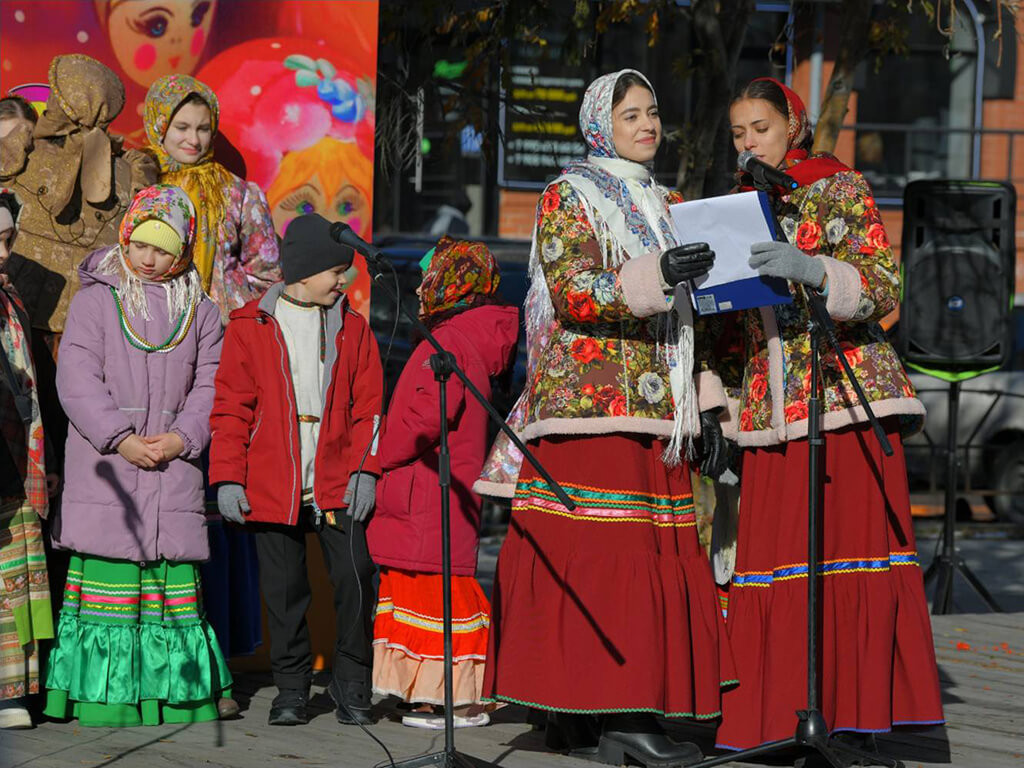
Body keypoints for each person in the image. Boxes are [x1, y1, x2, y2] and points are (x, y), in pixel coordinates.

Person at [481, 69, 733, 768]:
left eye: (653, 112)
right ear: (600, 124)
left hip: (660, 411)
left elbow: (695, 318)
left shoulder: (669, 201)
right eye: (630, 115)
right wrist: (658, 272)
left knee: (646, 559)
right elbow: (574, 290)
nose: (647, 124)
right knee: (604, 563)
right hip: (591, 407)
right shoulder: (571, 193)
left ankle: (596, 715)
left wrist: (709, 407)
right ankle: (615, 716)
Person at [714, 77, 944, 751]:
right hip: (768, 409)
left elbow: (881, 284)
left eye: (760, 127)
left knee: (848, 559)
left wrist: (814, 270)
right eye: (738, 132)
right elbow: (730, 334)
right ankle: (777, 717)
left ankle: (853, 716)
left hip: (841, 401)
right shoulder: (733, 206)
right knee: (775, 563)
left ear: (793, 126)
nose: (749, 141)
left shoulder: (838, 185)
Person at [43, 185, 230, 727]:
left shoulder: (201, 312)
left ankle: (176, 695)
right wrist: (120, 437)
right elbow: (76, 379)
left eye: (164, 248)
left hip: (172, 467)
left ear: (183, 249)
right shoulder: (96, 302)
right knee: (113, 580)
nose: (150, 259)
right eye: (141, 245)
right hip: (109, 470)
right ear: (125, 238)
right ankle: (110, 700)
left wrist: (183, 438)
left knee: (168, 582)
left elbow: (211, 386)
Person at [209, 213, 383, 727]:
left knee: (355, 579)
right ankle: (291, 689)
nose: (343, 281)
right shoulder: (249, 327)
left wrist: (364, 471)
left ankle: (353, 685)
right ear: (303, 272)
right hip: (273, 480)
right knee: (285, 594)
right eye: (335, 272)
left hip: (335, 479)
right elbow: (231, 407)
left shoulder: (353, 328)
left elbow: (369, 406)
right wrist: (228, 477)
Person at [367, 236, 518, 730]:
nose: (422, 285)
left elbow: (426, 415)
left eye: (430, 275)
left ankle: (446, 699)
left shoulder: (451, 339)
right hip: (433, 489)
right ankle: (433, 694)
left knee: (435, 593)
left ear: (450, 282)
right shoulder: (467, 334)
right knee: (430, 590)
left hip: (429, 487)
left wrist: (379, 451)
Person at [0, 189, 54, 729]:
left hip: (16, 457)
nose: (1, 251)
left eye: (7, 239)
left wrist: (46, 456)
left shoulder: (13, 299)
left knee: (15, 576)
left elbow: (32, 385)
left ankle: (10, 690)